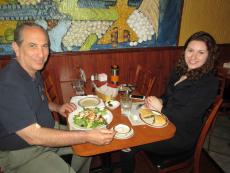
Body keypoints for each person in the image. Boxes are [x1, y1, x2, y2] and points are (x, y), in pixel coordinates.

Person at [0, 23, 115, 173]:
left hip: (47, 130)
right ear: (16, 47)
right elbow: (33, 136)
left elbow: (37, 101)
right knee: (87, 138)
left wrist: (57, 107)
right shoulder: (8, 84)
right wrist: (87, 135)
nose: (41, 54)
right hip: (24, 151)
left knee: (89, 146)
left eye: (45, 46)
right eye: (33, 46)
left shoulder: (32, 70)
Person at [121, 31, 219, 172]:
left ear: (209, 56)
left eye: (201, 52)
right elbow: (168, 96)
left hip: (179, 136)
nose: (193, 57)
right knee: (130, 122)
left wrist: (161, 109)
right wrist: (159, 100)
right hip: (164, 121)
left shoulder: (209, 83)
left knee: (128, 140)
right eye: (190, 50)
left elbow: (187, 116)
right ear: (185, 51)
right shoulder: (180, 71)